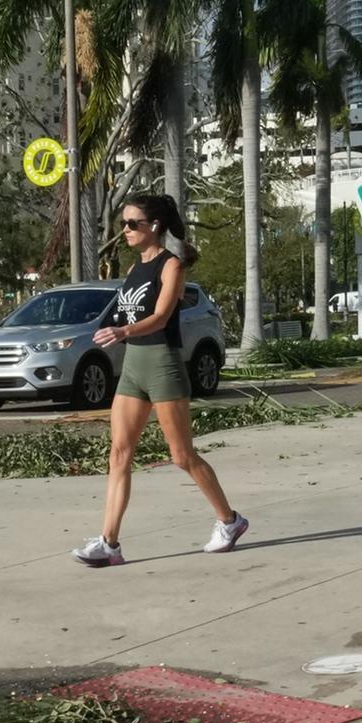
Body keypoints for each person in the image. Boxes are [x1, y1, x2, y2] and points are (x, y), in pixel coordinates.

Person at [71, 194, 249, 567]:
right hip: (134, 367)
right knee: (119, 452)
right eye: (123, 224)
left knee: (181, 456)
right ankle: (109, 543)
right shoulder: (136, 268)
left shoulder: (172, 266)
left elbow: (163, 316)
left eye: (132, 224)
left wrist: (123, 331)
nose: (125, 231)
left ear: (153, 226)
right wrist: (113, 332)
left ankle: (229, 521)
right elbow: (125, 314)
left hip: (163, 364)